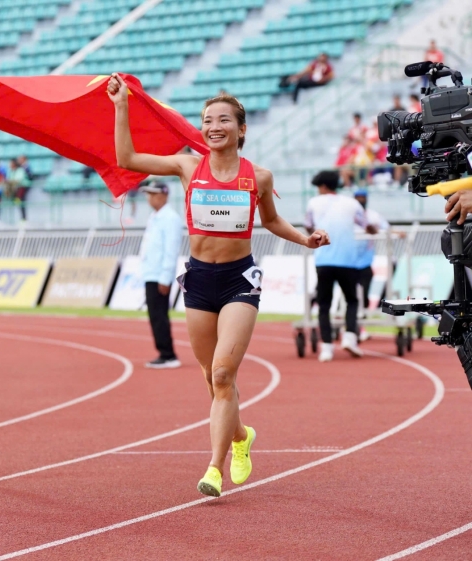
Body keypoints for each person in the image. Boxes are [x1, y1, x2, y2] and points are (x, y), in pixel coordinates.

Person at [108, 73, 329, 498]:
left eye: (224, 120)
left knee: (225, 373)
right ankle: (241, 435)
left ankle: (214, 468)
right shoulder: (187, 166)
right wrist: (121, 106)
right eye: (208, 120)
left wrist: (305, 239)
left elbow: (271, 221)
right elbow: (127, 157)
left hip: (238, 281)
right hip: (198, 280)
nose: (214, 126)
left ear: (241, 130)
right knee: (213, 379)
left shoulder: (258, 177)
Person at [305, 170, 377, 362]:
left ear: (322, 186)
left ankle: (327, 348)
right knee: (352, 300)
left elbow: (308, 226)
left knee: (324, 304)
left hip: (323, 259)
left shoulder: (313, 202)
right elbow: (367, 225)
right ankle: (350, 337)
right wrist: (374, 231)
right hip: (348, 260)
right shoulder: (351, 203)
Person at [139, 180, 184, 369]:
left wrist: (165, 277)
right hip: (151, 273)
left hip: (159, 275)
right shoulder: (155, 216)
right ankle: (164, 352)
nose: (150, 198)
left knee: (159, 315)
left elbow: (170, 250)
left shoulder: (170, 218)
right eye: (148, 194)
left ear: (163, 195)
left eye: (153, 194)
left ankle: (168, 354)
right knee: (155, 315)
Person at [352, 189, 390, 341]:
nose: (360, 200)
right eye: (358, 197)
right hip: (348, 262)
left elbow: (386, 229)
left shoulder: (373, 216)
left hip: (365, 262)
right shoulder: (348, 216)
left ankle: (360, 325)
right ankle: (353, 327)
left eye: (363, 197)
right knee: (350, 296)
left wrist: (394, 233)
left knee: (364, 295)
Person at [6, 156, 32, 224]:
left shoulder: (20, 170)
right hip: (16, 188)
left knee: (21, 202)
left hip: (22, 187)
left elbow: (18, 179)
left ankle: (24, 218)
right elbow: (9, 179)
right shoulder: (11, 171)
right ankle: (15, 198)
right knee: (20, 203)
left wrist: (11, 182)